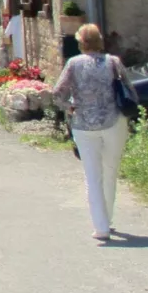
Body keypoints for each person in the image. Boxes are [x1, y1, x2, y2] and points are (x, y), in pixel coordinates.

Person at [54, 24, 139, 240]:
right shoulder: (113, 62)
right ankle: (107, 219)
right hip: (113, 123)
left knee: (93, 177)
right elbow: (131, 92)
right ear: (99, 41)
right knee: (110, 171)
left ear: (81, 42)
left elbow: (57, 94)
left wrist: (70, 107)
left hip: (83, 125)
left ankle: (101, 228)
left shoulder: (73, 64)